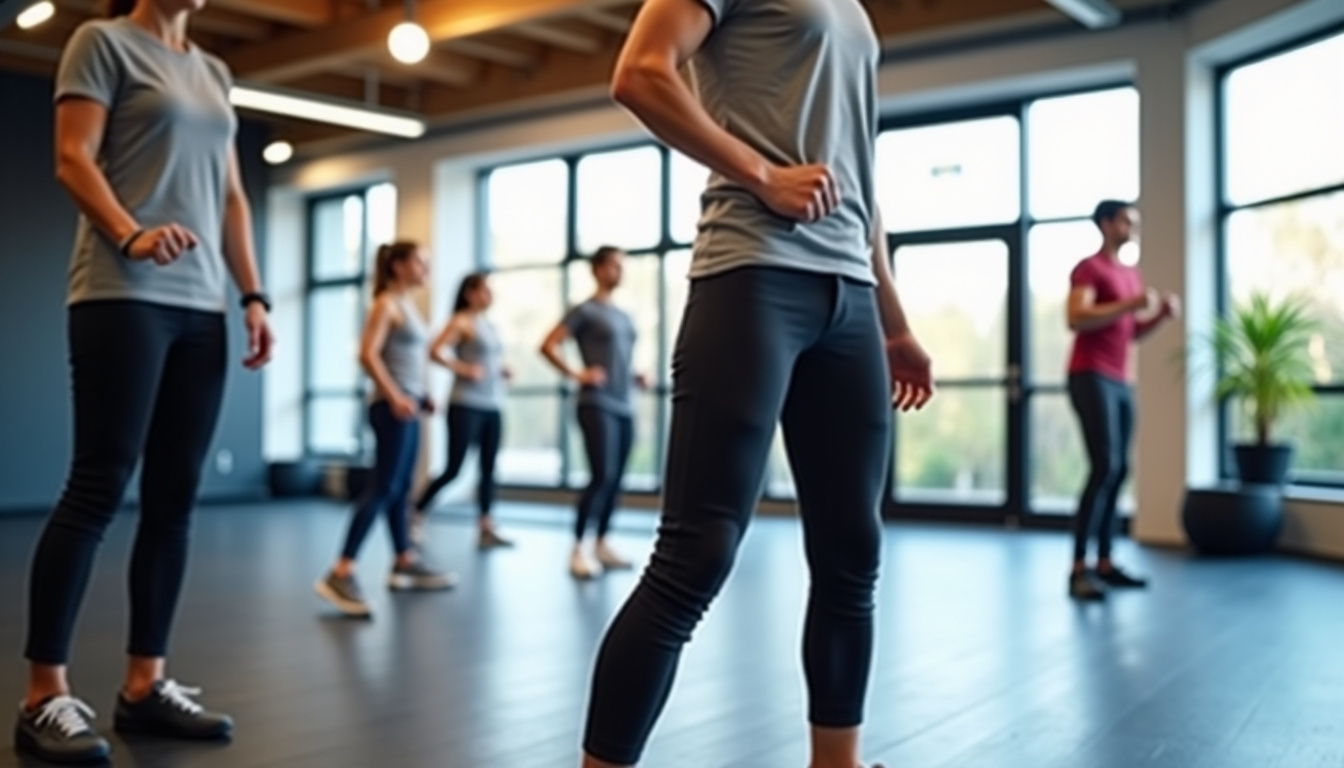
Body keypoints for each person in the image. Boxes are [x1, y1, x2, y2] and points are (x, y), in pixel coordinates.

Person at [578, 0, 935, 765]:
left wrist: (894, 322)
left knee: (851, 554)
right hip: (752, 277)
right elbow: (639, 75)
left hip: (851, 297)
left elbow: (857, 173)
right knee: (696, 554)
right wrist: (764, 173)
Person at [14, 0, 275, 761]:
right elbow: (73, 158)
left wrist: (252, 295)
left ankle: (143, 684)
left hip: (203, 306)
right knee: (97, 486)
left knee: (174, 500)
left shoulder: (214, 70)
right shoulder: (100, 43)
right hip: (120, 292)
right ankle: (43, 694)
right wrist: (130, 232)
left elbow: (231, 197)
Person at [315, 242, 456, 619]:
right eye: (419, 262)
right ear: (397, 266)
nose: (426, 268)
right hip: (390, 407)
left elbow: (407, 359)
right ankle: (341, 570)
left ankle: (404, 560)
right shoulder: (386, 304)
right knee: (384, 486)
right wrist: (395, 395)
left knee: (401, 488)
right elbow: (367, 353)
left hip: (407, 405)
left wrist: (421, 394)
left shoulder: (408, 306)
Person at [1065, 200, 1179, 601]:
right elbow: (1077, 317)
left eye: (1136, 222)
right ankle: (1078, 568)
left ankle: (1106, 563)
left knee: (1120, 468)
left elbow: (1127, 333)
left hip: (1119, 379)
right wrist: (1131, 305)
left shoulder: (1131, 274)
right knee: (1104, 465)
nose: (1133, 228)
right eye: (1127, 221)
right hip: (1089, 374)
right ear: (1106, 223)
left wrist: (1159, 316)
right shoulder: (1090, 269)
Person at [540, 247, 650, 579]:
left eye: (622, 266)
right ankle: (578, 548)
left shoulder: (625, 315)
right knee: (601, 475)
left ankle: (603, 542)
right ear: (598, 269)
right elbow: (547, 344)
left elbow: (620, 359)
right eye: (615, 266)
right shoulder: (584, 310)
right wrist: (578, 374)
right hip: (595, 403)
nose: (620, 272)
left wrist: (634, 376)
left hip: (624, 403)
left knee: (616, 479)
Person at [412, 272, 514, 549]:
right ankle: (416, 512)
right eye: (484, 290)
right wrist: (463, 368)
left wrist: (501, 370)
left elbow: (490, 360)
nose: (490, 296)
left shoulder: (489, 325)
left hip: (492, 404)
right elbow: (434, 350)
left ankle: (485, 527)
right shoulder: (462, 321)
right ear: (470, 293)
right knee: (454, 468)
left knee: (488, 469)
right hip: (465, 404)